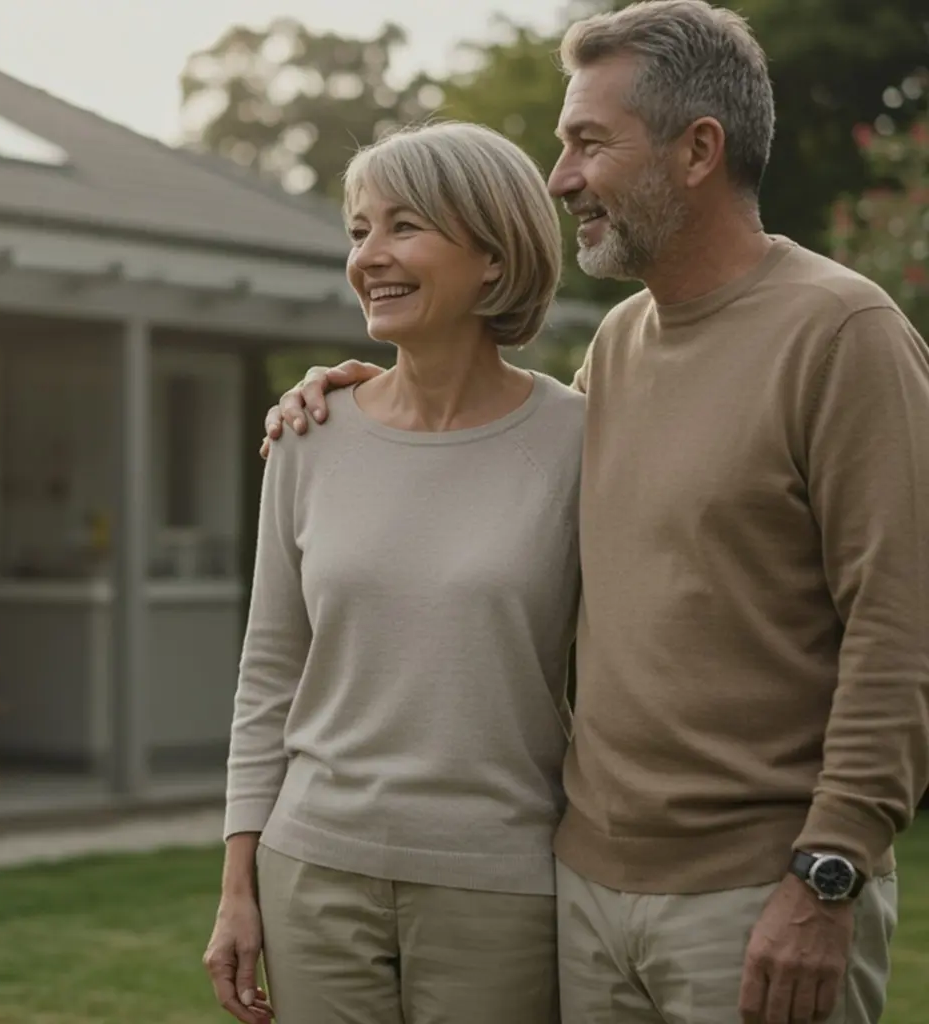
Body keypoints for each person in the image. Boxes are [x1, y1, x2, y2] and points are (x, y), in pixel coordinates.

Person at [259, 2, 929, 1023]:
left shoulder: (840, 332)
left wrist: (828, 869)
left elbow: (902, 621)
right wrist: (363, 396)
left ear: (697, 149)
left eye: (587, 143)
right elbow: (481, 450)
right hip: (584, 893)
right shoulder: (616, 347)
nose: (560, 176)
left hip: (757, 899)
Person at [203, 120, 584, 1024]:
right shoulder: (310, 435)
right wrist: (238, 882)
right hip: (312, 869)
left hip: (502, 884)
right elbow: (268, 672)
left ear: (494, 254)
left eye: (403, 226)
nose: (370, 255)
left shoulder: (583, 441)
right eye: (358, 230)